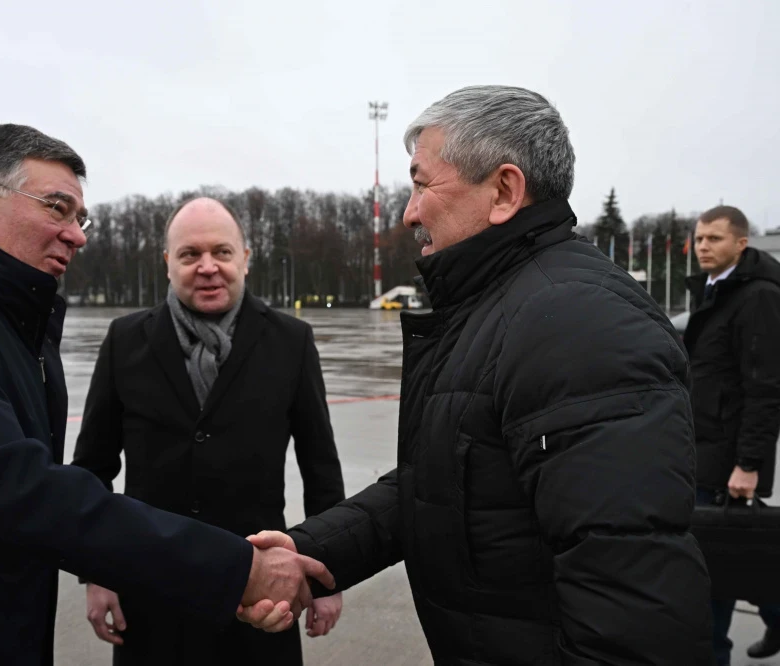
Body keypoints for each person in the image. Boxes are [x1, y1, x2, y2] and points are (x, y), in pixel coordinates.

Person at [0, 124, 331, 666]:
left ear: (246, 257)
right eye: (57, 208)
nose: (78, 235)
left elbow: (318, 460)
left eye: (79, 217)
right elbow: (24, 488)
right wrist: (234, 568)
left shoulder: (11, 325)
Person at [246, 85, 714, 664]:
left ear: (504, 192)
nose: (410, 212)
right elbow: (445, 481)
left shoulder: (577, 320)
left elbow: (633, 606)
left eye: (422, 184)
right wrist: (310, 552)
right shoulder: (505, 308)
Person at [72, 196, 346, 665]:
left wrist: (328, 575)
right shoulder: (124, 340)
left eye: (221, 252)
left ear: (246, 258)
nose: (207, 267)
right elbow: (93, 467)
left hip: (261, 592)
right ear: (167, 263)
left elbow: (320, 464)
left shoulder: (291, 341)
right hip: (150, 588)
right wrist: (96, 572)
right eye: (189, 254)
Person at [684, 205, 780, 666]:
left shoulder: (758, 298)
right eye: (700, 238)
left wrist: (748, 464)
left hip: (727, 460)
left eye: (715, 239)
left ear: (741, 244)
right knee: (733, 556)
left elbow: (765, 388)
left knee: (712, 576)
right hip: (703, 449)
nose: (703, 246)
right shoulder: (714, 290)